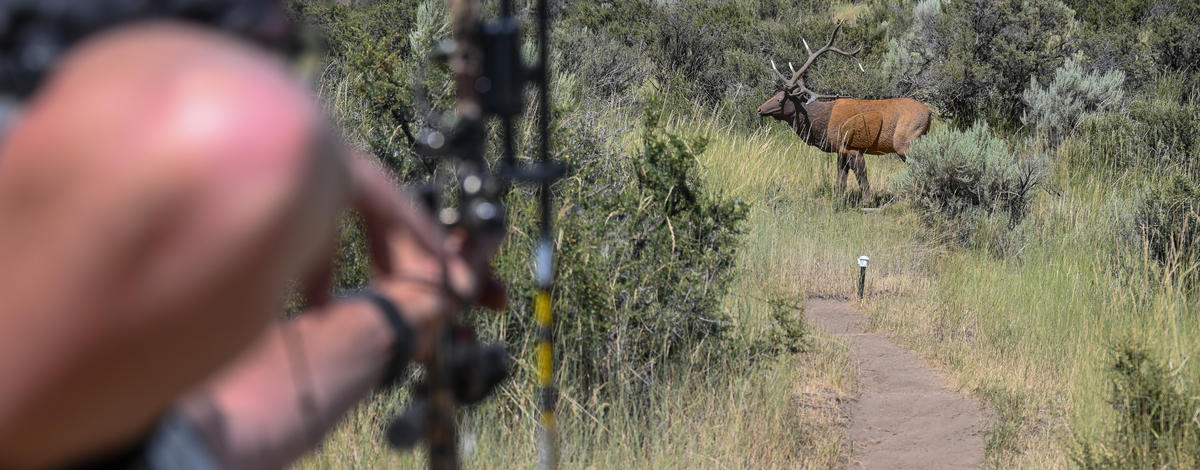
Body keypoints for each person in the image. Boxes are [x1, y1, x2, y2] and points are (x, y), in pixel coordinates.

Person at [0, 6, 505, 470]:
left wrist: (405, 307)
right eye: (269, 67)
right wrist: (338, 167)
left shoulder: (76, 413)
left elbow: (221, 421)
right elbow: (257, 140)